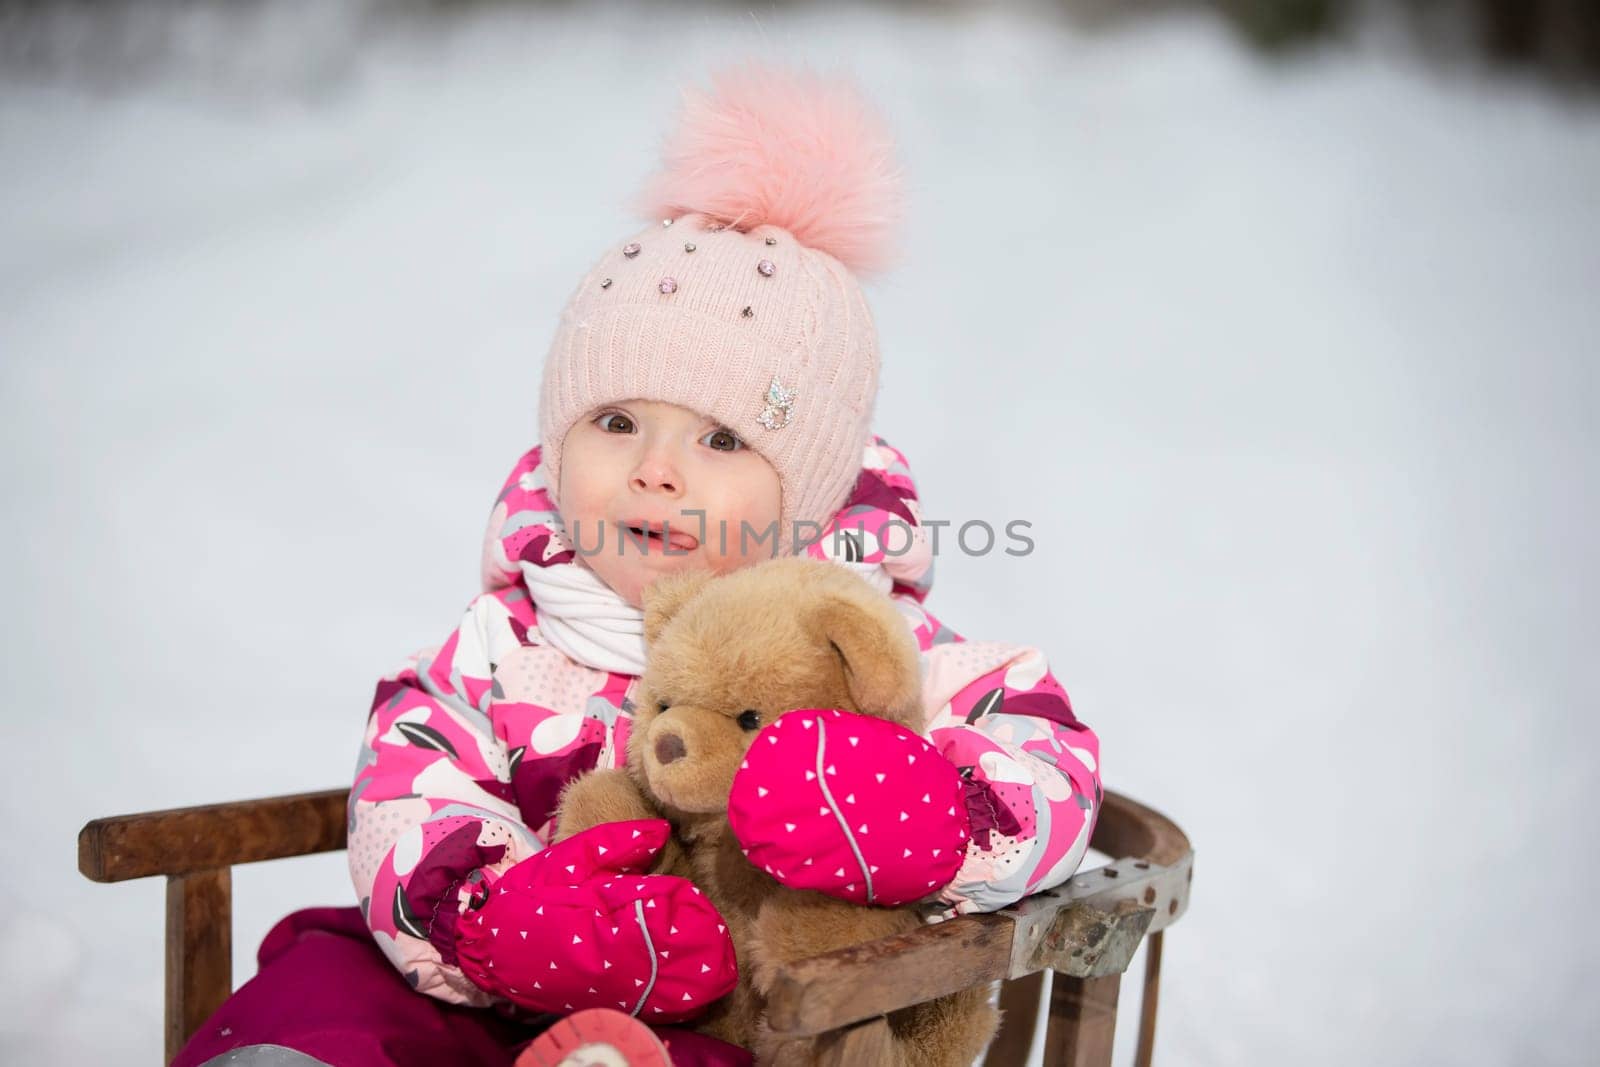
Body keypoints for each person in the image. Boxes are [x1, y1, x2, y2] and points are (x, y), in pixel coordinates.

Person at [174, 61, 1102, 1067]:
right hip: (506, 1001)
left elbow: (1047, 763)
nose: (655, 471)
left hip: (730, 1019)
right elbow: (409, 793)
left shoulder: (877, 646)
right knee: (331, 974)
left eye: (721, 439)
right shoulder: (503, 645)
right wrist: (498, 923)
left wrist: (923, 810)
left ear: (811, 495)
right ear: (556, 447)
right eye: (615, 422)